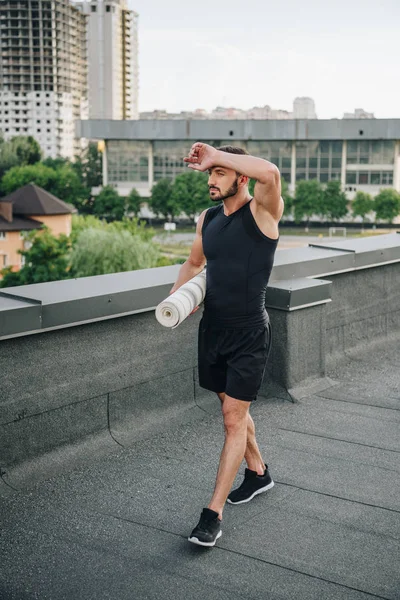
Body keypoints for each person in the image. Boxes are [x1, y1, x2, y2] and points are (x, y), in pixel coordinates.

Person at [169, 142, 284, 547]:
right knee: (230, 408)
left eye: (219, 172)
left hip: (250, 332)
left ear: (240, 175)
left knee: (233, 419)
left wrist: (217, 153)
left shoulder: (262, 213)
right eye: (209, 174)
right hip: (213, 330)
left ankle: (211, 514)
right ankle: (258, 472)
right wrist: (174, 300)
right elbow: (194, 263)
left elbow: (269, 171)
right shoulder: (208, 219)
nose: (212, 180)